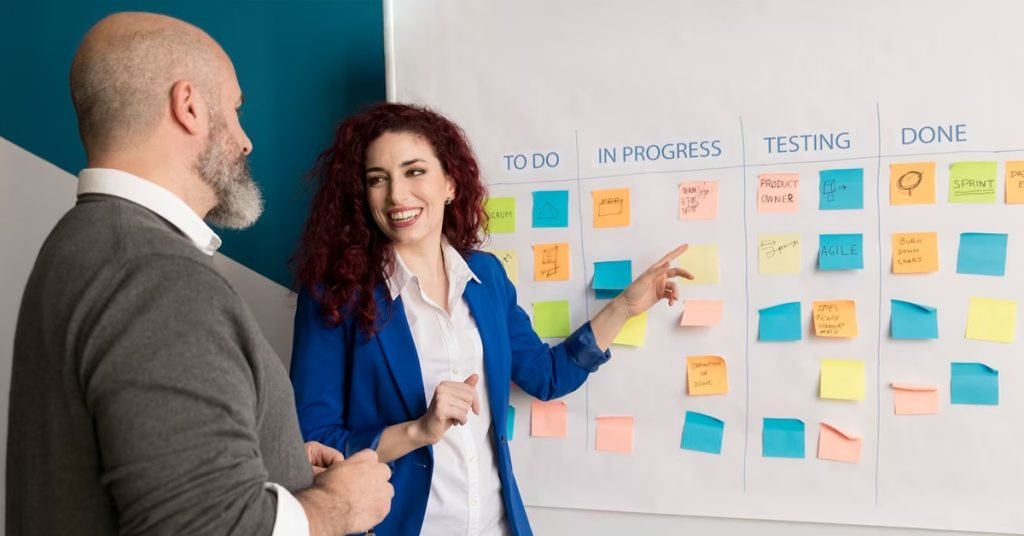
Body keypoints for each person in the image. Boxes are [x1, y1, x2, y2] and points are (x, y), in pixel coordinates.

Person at [6, 12, 393, 536]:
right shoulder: (155, 276)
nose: (245, 140)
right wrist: (339, 506)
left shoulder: (85, 240)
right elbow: (203, 527)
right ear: (189, 106)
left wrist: (269, 457)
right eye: (235, 111)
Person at [290, 102, 692, 535]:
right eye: (377, 180)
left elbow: (545, 376)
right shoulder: (336, 295)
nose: (397, 195)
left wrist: (624, 308)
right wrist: (417, 431)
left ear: (449, 183)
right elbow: (312, 443)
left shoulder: (486, 276)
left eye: (414, 171)